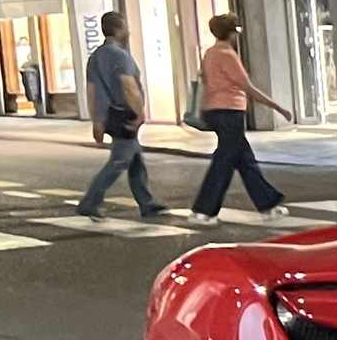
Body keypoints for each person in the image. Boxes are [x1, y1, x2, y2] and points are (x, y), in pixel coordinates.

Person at [189, 15, 292, 225]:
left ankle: (268, 205)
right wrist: (278, 107)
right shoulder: (227, 54)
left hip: (215, 111)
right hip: (230, 111)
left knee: (245, 161)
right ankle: (203, 210)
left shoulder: (210, 53)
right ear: (231, 32)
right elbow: (247, 87)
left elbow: (207, 83)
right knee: (224, 162)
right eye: (236, 30)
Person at [75, 12, 169, 220]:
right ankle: (90, 201)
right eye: (126, 26)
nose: (129, 30)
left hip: (109, 115)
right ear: (119, 29)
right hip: (124, 113)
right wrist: (140, 112)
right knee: (119, 160)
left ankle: (147, 201)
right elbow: (128, 86)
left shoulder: (96, 57)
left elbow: (91, 90)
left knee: (134, 158)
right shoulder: (120, 55)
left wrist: (96, 120)